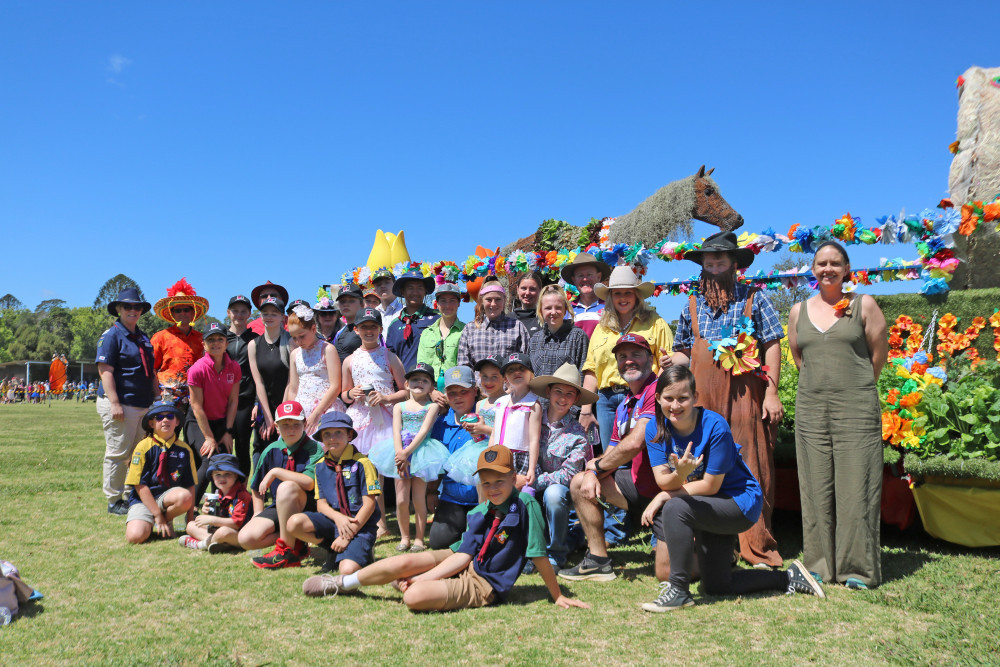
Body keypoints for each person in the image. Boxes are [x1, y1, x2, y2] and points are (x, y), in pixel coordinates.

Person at [300, 444, 590, 613]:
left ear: (514, 477)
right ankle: (341, 584)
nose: (493, 488)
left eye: (500, 481)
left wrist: (557, 595)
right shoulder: (479, 511)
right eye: (486, 483)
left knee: (413, 597)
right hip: (462, 560)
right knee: (401, 561)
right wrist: (424, 574)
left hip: (483, 583)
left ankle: (407, 580)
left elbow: (538, 555)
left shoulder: (526, 507)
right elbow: (462, 556)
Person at [638, 366, 825, 611]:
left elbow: (710, 484)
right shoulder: (655, 428)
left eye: (683, 398)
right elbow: (664, 480)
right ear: (658, 398)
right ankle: (788, 578)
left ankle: (679, 591)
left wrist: (666, 494)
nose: (675, 405)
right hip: (705, 504)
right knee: (716, 586)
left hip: (739, 502)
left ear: (695, 397)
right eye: (668, 398)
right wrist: (679, 475)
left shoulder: (715, 426)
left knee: (674, 507)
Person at [669, 231, 784, 568]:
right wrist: (671, 363)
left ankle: (756, 543)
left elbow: (773, 343)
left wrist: (772, 392)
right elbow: (683, 352)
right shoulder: (692, 303)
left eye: (721, 260)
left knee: (750, 461)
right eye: (709, 261)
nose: (715, 265)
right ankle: (711, 543)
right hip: (703, 398)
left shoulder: (754, 298)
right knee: (702, 461)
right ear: (702, 266)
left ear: (734, 263)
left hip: (745, 395)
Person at [788, 241, 888, 589]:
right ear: (813, 270)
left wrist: (855, 387)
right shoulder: (798, 311)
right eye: (821, 263)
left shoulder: (865, 305)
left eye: (835, 263)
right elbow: (800, 358)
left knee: (855, 488)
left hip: (856, 409)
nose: (827, 269)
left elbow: (878, 355)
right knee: (814, 487)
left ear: (846, 268)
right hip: (812, 409)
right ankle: (819, 567)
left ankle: (856, 570)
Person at [560, 334, 661, 582]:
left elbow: (636, 442)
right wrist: (593, 472)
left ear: (650, 358)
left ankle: (716, 549)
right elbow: (614, 450)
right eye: (623, 357)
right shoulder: (624, 405)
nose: (629, 361)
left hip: (670, 488)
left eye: (636, 354)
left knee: (670, 573)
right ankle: (598, 560)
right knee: (579, 482)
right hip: (638, 485)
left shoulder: (658, 389)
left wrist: (598, 468)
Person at [581, 266, 674, 455]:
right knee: (612, 458)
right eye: (617, 294)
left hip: (644, 397)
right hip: (605, 401)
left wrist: (655, 399)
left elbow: (667, 364)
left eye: (627, 293)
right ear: (610, 297)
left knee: (644, 456)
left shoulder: (656, 323)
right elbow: (592, 370)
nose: (622, 298)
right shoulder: (601, 328)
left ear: (637, 295)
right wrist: (585, 410)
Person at [286, 412, 382, 574]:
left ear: (349, 435)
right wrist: (338, 518)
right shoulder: (320, 466)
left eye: (338, 432)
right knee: (294, 523)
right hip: (334, 522)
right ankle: (333, 549)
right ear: (321, 438)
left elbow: (370, 505)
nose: (332, 438)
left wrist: (347, 535)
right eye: (327, 434)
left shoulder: (362, 463)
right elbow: (321, 504)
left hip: (359, 524)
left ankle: (361, 550)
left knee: (346, 570)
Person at [368, 362, 449, 553]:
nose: (419, 383)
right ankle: (405, 537)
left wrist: (407, 452)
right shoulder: (399, 406)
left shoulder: (432, 407)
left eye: (424, 380)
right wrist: (399, 453)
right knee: (402, 500)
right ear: (406, 385)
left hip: (421, 453)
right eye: (414, 379)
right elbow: (396, 430)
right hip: (400, 454)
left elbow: (423, 431)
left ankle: (419, 539)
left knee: (418, 499)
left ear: (432, 387)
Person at [341, 307, 408, 537]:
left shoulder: (389, 356)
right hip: (361, 421)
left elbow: (406, 391)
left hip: (385, 421)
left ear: (380, 329)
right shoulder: (349, 360)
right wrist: (353, 394)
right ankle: (373, 521)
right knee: (366, 473)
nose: (369, 331)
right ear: (356, 329)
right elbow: (343, 394)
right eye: (364, 327)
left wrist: (386, 397)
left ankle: (389, 523)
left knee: (383, 471)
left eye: (373, 327)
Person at [529, 363, 596, 570]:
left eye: (570, 393)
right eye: (558, 391)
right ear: (548, 392)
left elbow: (568, 474)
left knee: (554, 494)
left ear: (576, 399)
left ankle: (556, 553)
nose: (563, 398)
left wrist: (534, 482)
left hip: (556, 491)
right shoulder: (530, 418)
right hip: (529, 483)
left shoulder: (578, 434)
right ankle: (526, 551)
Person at [96, 288, 157, 515]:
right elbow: (105, 371)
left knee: (136, 453)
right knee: (118, 452)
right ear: (119, 309)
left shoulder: (142, 337)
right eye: (127, 306)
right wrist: (114, 403)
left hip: (142, 403)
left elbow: (150, 371)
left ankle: (133, 493)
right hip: (121, 404)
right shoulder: (111, 335)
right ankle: (114, 501)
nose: (133, 310)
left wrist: (157, 397)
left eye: (137, 307)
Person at [241, 401, 323, 569]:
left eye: (296, 424)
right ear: (277, 428)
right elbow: (256, 487)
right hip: (280, 508)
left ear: (305, 424)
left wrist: (276, 472)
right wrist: (257, 512)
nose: (291, 429)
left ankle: (286, 552)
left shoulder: (314, 448)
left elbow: (309, 483)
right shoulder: (271, 449)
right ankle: (297, 539)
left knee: (286, 487)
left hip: (310, 508)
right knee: (246, 538)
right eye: (285, 425)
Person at [124, 401, 197, 544]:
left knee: (185, 496)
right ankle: (151, 521)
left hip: (167, 498)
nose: (165, 420)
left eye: (170, 416)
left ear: (176, 422)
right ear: (151, 424)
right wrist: (157, 515)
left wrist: (190, 520)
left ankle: (167, 519)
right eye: (159, 417)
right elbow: (140, 485)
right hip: (143, 500)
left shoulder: (184, 450)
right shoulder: (143, 447)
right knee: (135, 537)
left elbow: (190, 485)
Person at [185, 322, 241, 501]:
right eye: (211, 340)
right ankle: (191, 508)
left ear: (227, 343)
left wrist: (227, 432)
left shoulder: (234, 367)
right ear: (204, 344)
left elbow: (233, 401)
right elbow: (196, 406)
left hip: (221, 422)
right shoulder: (197, 369)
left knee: (225, 462)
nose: (215, 343)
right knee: (210, 458)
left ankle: (220, 505)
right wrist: (209, 438)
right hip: (197, 421)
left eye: (220, 339)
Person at [430, 366, 484, 549]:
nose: (458, 397)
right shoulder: (440, 423)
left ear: (475, 391)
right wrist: (431, 491)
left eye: (464, 391)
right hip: (451, 498)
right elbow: (436, 461)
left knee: (479, 545)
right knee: (438, 543)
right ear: (445, 395)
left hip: (482, 498)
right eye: (452, 393)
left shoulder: (486, 417)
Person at [284, 305, 344, 435]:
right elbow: (293, 389)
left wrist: (316, 414)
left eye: (301, 336)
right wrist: (292, 415)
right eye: (294, 337)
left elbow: (336, 386)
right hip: (302, 409)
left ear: (313, 329)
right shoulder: (295, 354)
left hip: (325, 408)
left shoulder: (327, 349)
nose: (298, 341)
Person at [150, 279, 208, 409]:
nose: (182, 313)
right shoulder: (160, 337)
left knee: (193, 429)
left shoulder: (202, 339)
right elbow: (151, 369)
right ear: (172, 314)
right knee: (167, 428)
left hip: (195, 394)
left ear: (193, 312)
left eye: (186, 309)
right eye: (178, 310)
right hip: (167, 395)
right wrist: (156, 397)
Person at [488, 353, 542, 493]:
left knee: (523, 494)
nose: (517, 372)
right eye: (511, 370)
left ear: (531, 374)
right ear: (505, 378)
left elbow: (534, 439)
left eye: (521, 368)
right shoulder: (500, 402)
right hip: (499, 455)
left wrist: (531, 468)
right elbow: (494, 434)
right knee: (498, 495)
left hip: (522, 457)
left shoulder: (533, 404)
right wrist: (489, 456)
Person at [178, 453, 252, 553]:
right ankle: (220, 543)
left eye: (227, 474)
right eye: (217, 474)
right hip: (221, 530)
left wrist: (212, 519)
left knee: (223, 532)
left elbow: (236, 524)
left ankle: (200, 544)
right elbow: (217, 519)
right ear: (212, 477)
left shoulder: (242, 496)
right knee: (191, 525)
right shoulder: (219, 494)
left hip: (241, 535)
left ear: (235, 475)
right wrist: (206, 511)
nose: (222, 478)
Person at [247, 296, 292, 460]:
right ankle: (257, 485)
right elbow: (258, 382)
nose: (269, 317)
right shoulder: (253, 345)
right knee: (261, 449)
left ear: (282, 317)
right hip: (265, 407)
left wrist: (281, 415)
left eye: (274, 313)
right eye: (265, 313)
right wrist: (267, 416)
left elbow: (291, 381)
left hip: (287, 405)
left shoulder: (290, 342)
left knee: (285, 453)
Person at [456, 278, 529, 368]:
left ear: (504, 300)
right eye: (489, 300)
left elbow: (526, 364)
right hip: (478, 382)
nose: (493, 304)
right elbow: (464, 367)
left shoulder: (517, 327)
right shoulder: (470, 329)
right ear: (482, 301)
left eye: (498, 299)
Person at [224, 295, 259, 477]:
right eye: (235, 310)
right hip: (222, 401)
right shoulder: (220, 337)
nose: (239, 314)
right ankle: (220, 493)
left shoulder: (255, 339)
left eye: (243, 311)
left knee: (243, 448)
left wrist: (256, 402)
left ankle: (242, 492)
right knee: (223, 448)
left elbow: (258, 373)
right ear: (228, 312)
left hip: (245, 400)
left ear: (249, 314)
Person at [416, 282, 465, 406]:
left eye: (452, 300)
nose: (447, 305)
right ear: (437, 304)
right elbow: (421, 366)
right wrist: (431, 391)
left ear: (459, 303)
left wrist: (452, 393)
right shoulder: (427, 333)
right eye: (443, 301)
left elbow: (466, 367)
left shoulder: (466, 331)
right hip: (428, 395)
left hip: (456, 393)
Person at [528, 284, 589, 378]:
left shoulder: (578, 336)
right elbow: (530, 374)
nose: (553, 312)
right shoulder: (535, 339)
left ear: (565, 310)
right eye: (548, 308)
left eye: (558, 307)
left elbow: (583, 373)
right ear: (541, 311)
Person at [385, 269, 438, 372]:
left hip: (431, 383)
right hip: (402, 384)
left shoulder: (436, 319)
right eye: (410, 288)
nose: (415, 292)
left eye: (419, 288)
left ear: (425, 291)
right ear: (402, 292)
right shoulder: (394, 325)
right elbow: (390, 359)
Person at [561, 252, 612, 339]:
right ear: (574, 280)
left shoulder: (610, 307)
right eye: (580, 275)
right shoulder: (566, 310)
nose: (585, 279)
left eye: (589, 274)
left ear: (599, 277)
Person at [471, 354, 505, 443]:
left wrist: (484, 429)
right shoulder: (479, 404)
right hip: (478, 449)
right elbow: (477, 437)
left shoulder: (508, 402)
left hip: (499, 449)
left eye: (494, 376)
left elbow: (508, 433)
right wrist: (473, 430)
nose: (488, 382)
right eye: (484, 376)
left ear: (505, 378)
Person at [331, 284, 367, 362]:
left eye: (351, 300)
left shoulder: (368, 328)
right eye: (342, 301)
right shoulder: (339, 333)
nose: (346, 304)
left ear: (362, 304)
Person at [510, 271, 544, 339]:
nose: (527, 293)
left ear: (540, 290)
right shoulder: (508, 319)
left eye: (532, 289)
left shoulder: (545, 318)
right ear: (517, 290)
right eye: (523, 288)